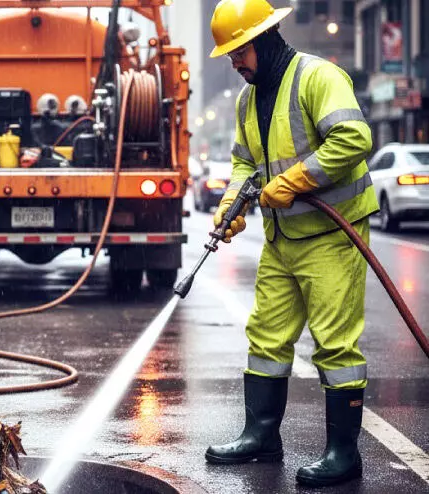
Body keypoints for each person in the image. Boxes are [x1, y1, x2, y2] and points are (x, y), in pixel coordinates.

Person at [205, 0, 377, 488]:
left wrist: (298, 179)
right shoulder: (247, 99)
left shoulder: (318, 78)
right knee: (266, 338)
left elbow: (352, 138)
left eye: (238, 52)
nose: (234, 63)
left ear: (262, 40)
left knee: (335, 347)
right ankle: (261, 436)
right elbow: (245, 161)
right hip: (282, 238)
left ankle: (344, 454)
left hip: (332, 234)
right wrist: (231, 205)